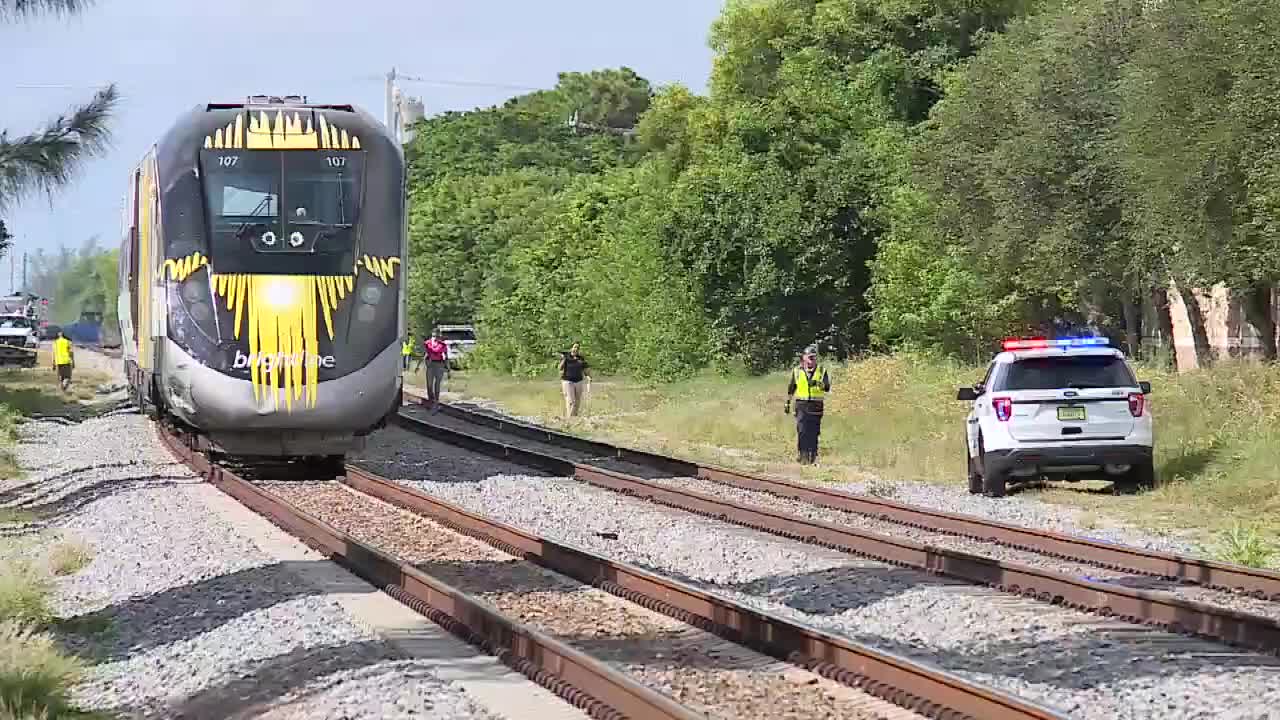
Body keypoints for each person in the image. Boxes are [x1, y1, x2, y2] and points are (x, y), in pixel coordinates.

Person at [784, 345, 831, 465]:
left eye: (814, 358)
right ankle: (803, 454)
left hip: (816, 405)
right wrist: (788, 402)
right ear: (804, 358)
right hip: (801, 405)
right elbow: (791, 388)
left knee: (814, 431)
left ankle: (813, 455)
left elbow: (826, 387)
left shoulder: (821, 370)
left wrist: (816, 383)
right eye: (809, 358)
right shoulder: (797, 371)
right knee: (802, 430)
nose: (812, 360)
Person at [558, 342, 589, 418]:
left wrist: (589, 376)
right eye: (574, 347)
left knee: (577, 401)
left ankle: (574, 417)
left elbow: (585, 369)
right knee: (571, 401)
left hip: (578, 381)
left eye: (578, 348)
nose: (576, 349)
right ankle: (569, 418)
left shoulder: (581, 358)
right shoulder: (566, 357)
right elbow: (560, 368)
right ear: (571, 348)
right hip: (568, 381)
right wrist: (564, 358)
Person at [422, 329, 449, 411]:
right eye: (435, 335)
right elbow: (425, 354)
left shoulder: (443, 345)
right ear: (432, 335)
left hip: (439, 364)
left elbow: (445, 356)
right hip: (430, 365)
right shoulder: (427, 343)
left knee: (437, 384)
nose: (436, 336)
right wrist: (421, 364)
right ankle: (431, 400)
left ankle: (436, 401)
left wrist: (448, 367)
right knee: (429, 384)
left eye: (437, 335)